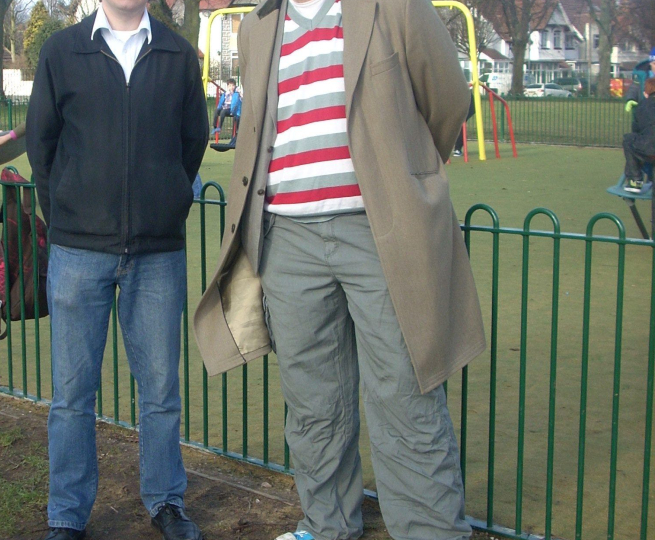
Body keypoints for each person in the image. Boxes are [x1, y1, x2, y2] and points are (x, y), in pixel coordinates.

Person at [193, 1, 486, 539]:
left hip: (381, 231)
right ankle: (328, 527)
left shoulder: (393, 6)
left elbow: (447, 101)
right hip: (286, 238)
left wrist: (406, 182)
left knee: (405, 396)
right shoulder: (259, 26)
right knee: (313, 405)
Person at [26, 0, 208, 538]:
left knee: (160, 390)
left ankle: (166, 501)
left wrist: (167, 201)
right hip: (79, 249)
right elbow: (42, 143)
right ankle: (67, 514)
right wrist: (65, 214)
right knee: (72, 395)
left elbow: (192, 142)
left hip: (157, 252)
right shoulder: (62, 50)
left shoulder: (177, 53)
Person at [623, 77, 655, 193]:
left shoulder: (642, 106)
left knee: (629, 140)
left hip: (649, 149)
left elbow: (636, 130)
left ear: (646, 92)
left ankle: (635, 180)